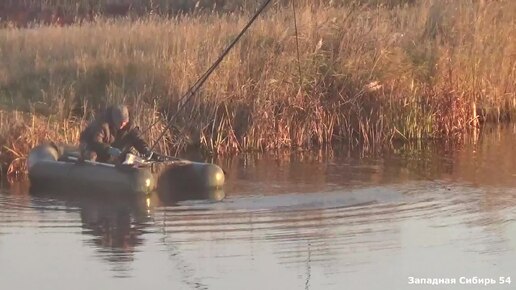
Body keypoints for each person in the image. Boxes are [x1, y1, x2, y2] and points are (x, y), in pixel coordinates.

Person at [79, 105, 156, 163]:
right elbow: (95, 143)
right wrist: (109, 150)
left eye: (125, 122)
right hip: (97, 151)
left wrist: (146, 149)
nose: (122, 124)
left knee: (129, 154)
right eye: (120, 122)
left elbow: (138, 139)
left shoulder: (130, 127)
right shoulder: (102, 124)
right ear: (114, 119)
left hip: (116, 153)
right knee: (91, 155)